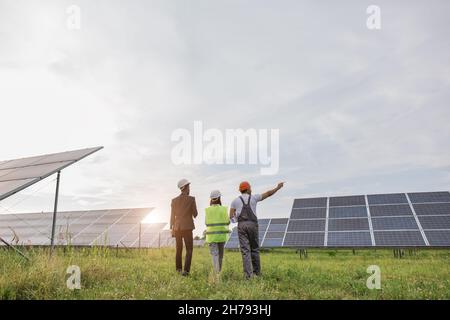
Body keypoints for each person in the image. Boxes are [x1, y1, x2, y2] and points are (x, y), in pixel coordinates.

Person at [230, 181, 284, 279]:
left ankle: (248, 276)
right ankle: (257, 273)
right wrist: (277, 188)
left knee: (245, 251)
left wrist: (237, 219)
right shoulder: (254, 198)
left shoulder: (235, 201)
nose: (251, 189)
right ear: (248, 189)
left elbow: (231, 217)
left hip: (241, 226)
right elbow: (268, 193)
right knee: (254, 249)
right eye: (250, 188)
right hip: (253, 225)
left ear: (241, 190)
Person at [170, 178, 198, 276]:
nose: (189, 188)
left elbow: (172, 216)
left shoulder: (174, 200)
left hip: (177, 227)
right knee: (189, 249)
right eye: (189, 186)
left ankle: (178, 270)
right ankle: (186, 271)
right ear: (186, 187)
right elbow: (195, 214)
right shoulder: (191, 199)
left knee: (179, 249)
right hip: (187, 227)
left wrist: (171, 228)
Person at [205, 190, 230, 275]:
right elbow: (228, 222)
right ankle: (218, 272)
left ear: (211, 199)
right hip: (221, 236)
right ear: (219, 198)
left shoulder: (208, 210)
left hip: (212, 237)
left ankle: (216, 274)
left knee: (215, 255)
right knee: (220, 256)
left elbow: (206, 223)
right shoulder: (223, 209)